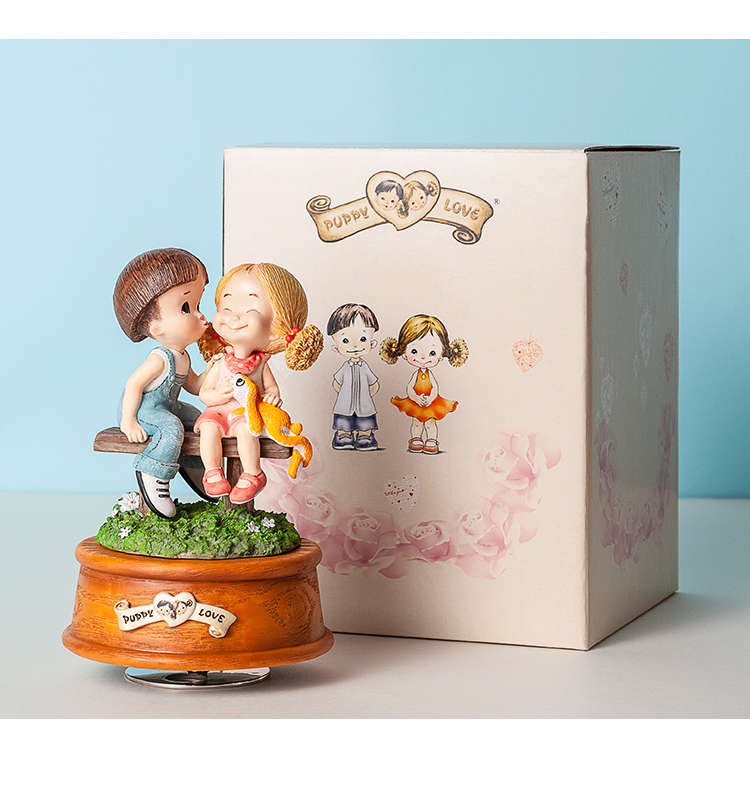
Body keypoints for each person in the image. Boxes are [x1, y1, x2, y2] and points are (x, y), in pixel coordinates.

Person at [196, 262, 322, 503]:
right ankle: (212, 472)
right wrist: (219, 396)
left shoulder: (260, 364)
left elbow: (271, 388)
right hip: (218, 411)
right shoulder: (220, 361)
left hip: (247, 413)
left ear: (276, 327)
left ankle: (253, 474)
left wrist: (272, 395)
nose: (234, 317)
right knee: (209, 428)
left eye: (250, 309)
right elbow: (205, 394)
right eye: (227, 307)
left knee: (247, 431)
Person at [114, 248, 213, 519]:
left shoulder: (183, 357)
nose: (200, 316)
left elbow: (195, 387)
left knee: (198, 419)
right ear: (156, 328)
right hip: (144, 410)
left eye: (198, 305)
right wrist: (128, 421)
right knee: (171, 428)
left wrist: (215, 368)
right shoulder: (160, 359)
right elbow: (134, 385)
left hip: (167, 407)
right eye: (186, 308)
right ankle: (153, 473)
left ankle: (198, 469)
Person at [380, 314, 468, 455]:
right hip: (417, 401)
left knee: (430, 422)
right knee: (416, 422)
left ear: (441, 354)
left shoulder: (429, 374)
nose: (422, 357)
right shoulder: (416, 374)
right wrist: (415, 398)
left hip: (430, 402)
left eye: (432, 352)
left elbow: (435, 387)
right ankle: (416, 439)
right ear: (404, 352)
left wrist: (431, 398)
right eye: (414, 351)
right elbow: (410, 387)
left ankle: (431, 440)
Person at [327, 303, 380, 450]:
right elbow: (337, 383)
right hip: (344, 404)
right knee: (344, 420)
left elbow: (374, 383)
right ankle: (343, 435)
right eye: (345, 341)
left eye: (363, 339)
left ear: (372, 342)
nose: (355, 346)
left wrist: (366, 395)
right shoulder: (345, 367)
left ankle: (365, 436)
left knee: (365, 421)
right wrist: (344, 394)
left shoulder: (365, 367)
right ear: (336, 347)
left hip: (364, 403)